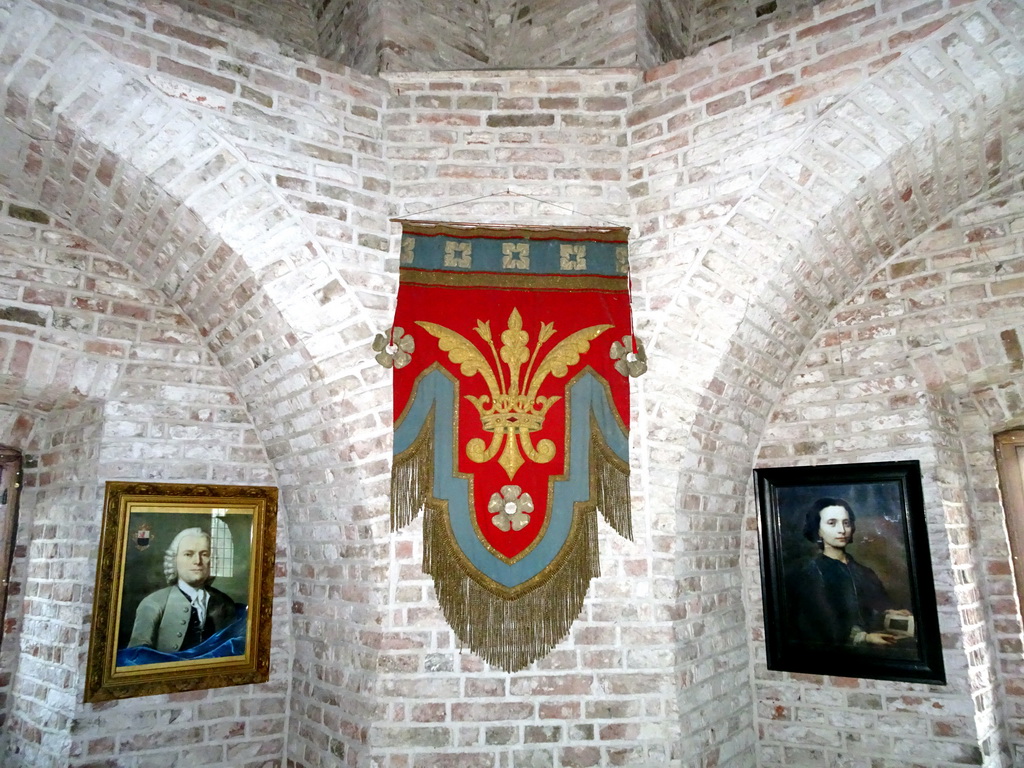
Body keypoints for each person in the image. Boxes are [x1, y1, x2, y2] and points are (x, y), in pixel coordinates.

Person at [788, 497, 911, 648]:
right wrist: (864, 638)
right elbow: (819, 624)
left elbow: (872, 608)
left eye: (846, 523)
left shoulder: (864, 572)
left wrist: (889, 614)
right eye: (832, 523)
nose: (842, 530)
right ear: (817, 530)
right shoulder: (810, 573)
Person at [128, 527, 237, 652]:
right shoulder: (153, 603)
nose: (197, 561)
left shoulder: (225, 603)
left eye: (205, 554)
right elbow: (136, 656)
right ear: (174, 560)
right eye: (188, 554)